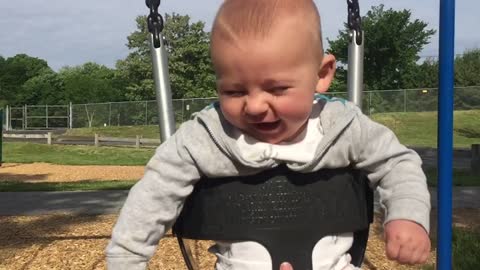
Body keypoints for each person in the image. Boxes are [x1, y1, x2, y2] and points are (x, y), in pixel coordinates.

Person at [106, 0, 431, 269]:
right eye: (234, 91)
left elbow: (397, 163)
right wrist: (126, 258)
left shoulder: (342, 127)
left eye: (276, 88)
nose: (256, 106)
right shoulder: (206, 136)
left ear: (321, 74)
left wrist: (407, 217)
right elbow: (155, 191)